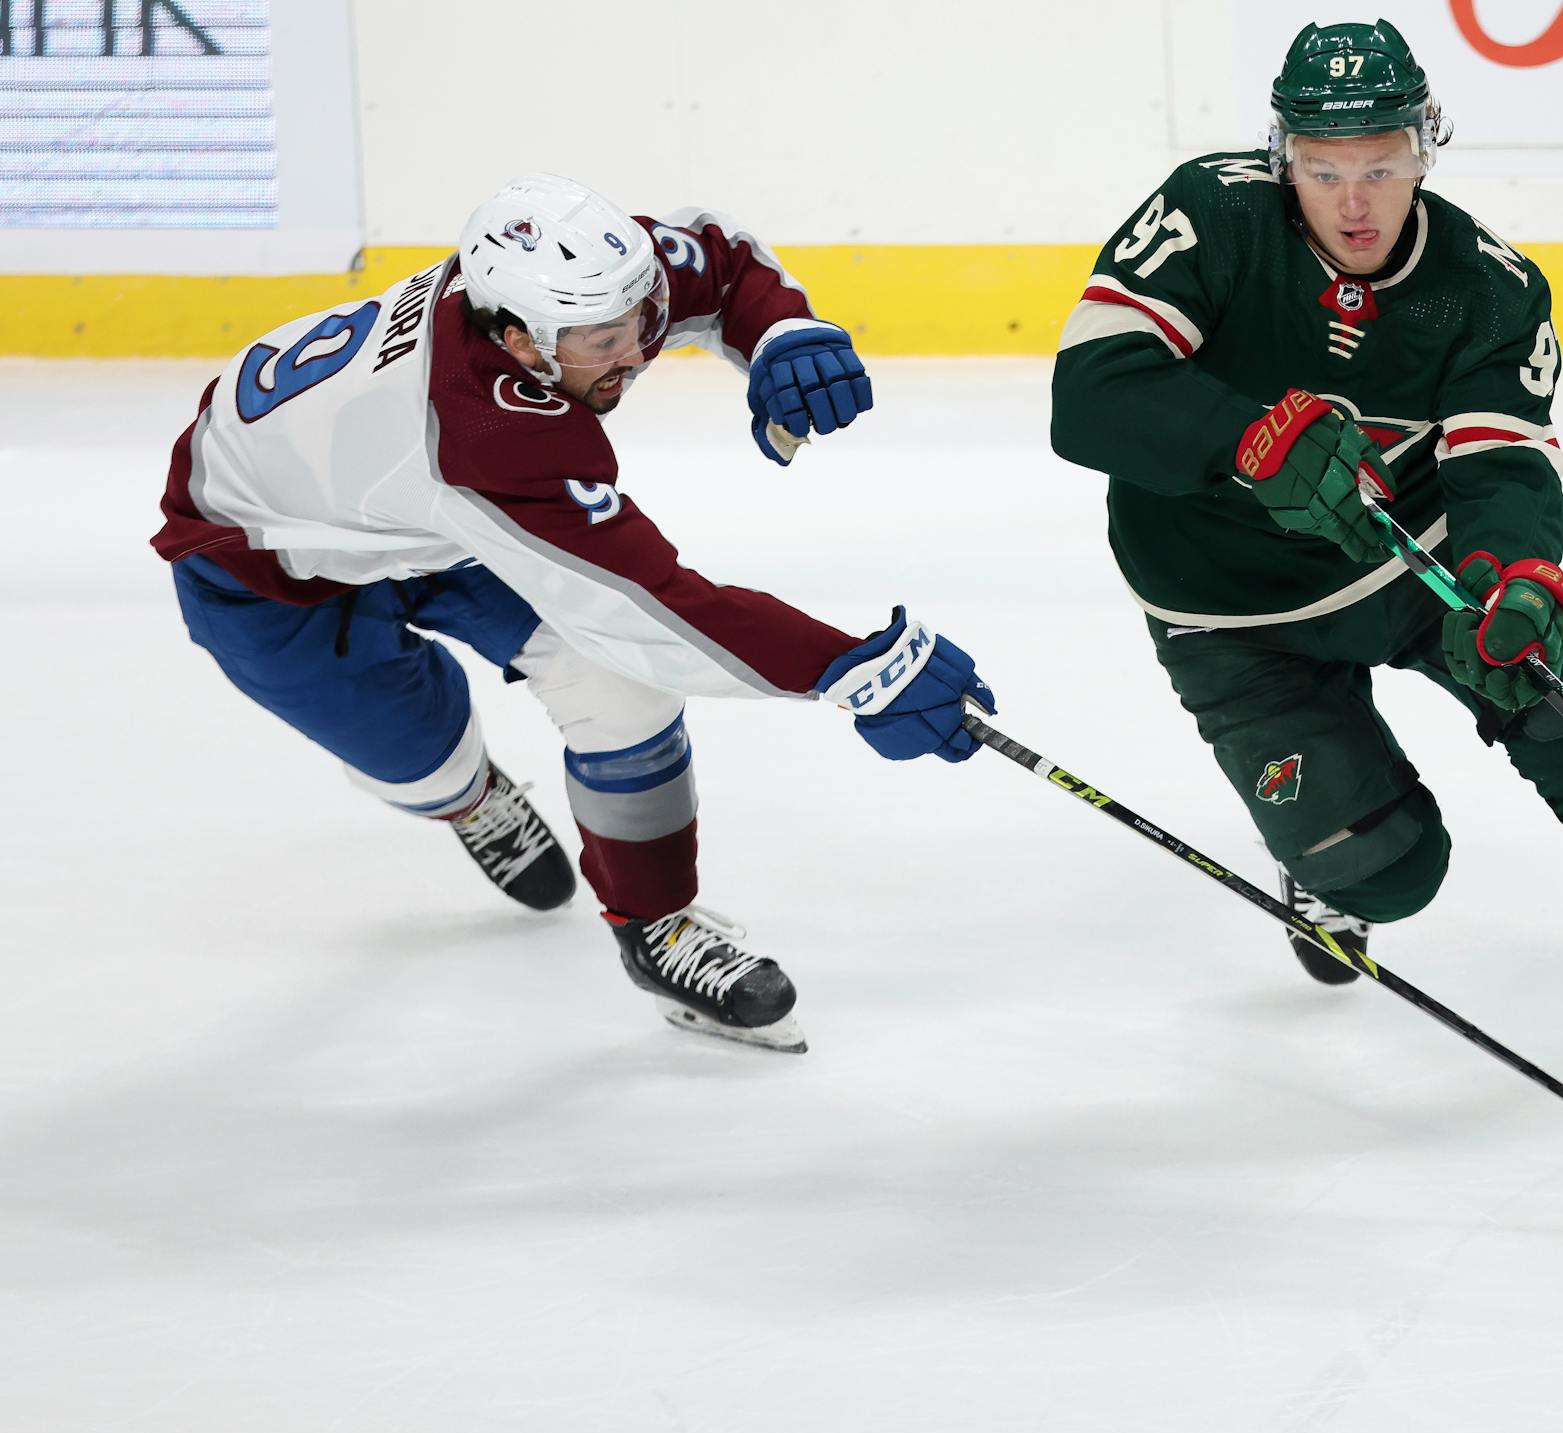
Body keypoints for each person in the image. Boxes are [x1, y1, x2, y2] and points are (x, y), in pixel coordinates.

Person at [1049, 20, 1563, 1019]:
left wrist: (1513, 574)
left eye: (1381, 167)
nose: (1354, 201)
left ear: (1426, 148)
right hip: (1227, 605)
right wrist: (1244, 437)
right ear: (1281, 155)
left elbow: (1504, 461)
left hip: (1414, 561)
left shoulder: (1484, 285)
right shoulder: (1213, 213)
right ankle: (1325, 862)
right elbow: (1090, 395)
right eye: (1324, 169)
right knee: (1385, 872)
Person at [153, 173, 994, 1053]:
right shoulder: (486, 430)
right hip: (269, 572)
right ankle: (468, 800)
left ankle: (659, 927)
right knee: (426, 765)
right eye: (606, 340)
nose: (638, 347)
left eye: (641, 319)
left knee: (623, 694)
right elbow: (653, 611)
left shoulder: (580, 281)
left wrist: (780, 331)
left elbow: (720, 260)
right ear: (519, 340)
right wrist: (855, 667)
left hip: (427, 516)